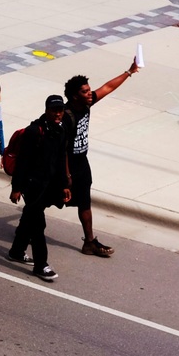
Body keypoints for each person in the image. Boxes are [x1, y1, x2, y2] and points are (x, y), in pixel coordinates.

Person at [62, 61, 139, 258]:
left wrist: (129, 72)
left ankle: (89, 242)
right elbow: (61, 150)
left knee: (85, 202)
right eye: (85, 91)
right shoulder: (66, 116)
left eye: (89, 90)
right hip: (64, 166)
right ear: (74, 96)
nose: (90, 93)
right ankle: (26, 230)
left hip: (81, 163)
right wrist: (67, 176)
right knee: (47, 199)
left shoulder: (86, 103)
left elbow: (108, 87)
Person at [8, 95, 69, 283]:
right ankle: (41, 264)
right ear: (46, 110)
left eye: (61, 110)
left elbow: (60, 160)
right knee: (38, 223)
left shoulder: (60, 130)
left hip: (48, 185)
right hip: (32, 185)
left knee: (29, 216)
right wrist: (16, 188)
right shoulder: (35, 131)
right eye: (54, 110)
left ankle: (17, 251)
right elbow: (23, 162)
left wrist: (65, 185)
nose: (58, 113)